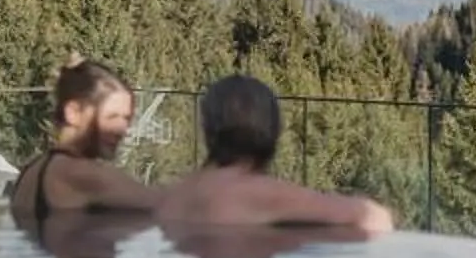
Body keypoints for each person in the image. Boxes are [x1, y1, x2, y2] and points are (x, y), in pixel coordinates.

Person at [153, 75, 395, 235]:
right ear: (272, 130)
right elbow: (375, 219)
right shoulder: (260, 194)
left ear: (207, 129)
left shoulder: (177, 195)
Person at [5, 58, 157, 230]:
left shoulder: (31, 171)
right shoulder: (79, 175)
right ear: (73, 113)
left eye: (126, 119)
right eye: (112, 117)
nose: (122, 129)